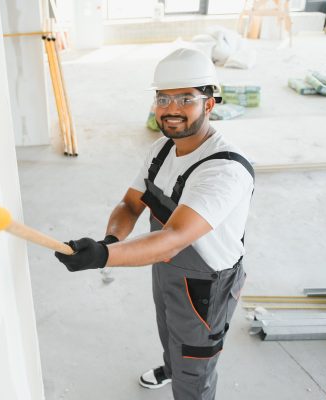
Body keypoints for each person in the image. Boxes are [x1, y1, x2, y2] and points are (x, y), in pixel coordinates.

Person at [54, 47, 255, 400]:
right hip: (163, 265)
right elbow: (131, 203)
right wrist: (111, 240)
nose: (171, 108)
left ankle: (187, 377)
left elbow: (175, 237)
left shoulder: (224, 170)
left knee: (196, 360)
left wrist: (102, 257)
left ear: (209, 104)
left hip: (204, 284)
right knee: (169, 329)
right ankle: (172, 366)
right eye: (163, 98)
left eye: (185, 98)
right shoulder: (163, 149)